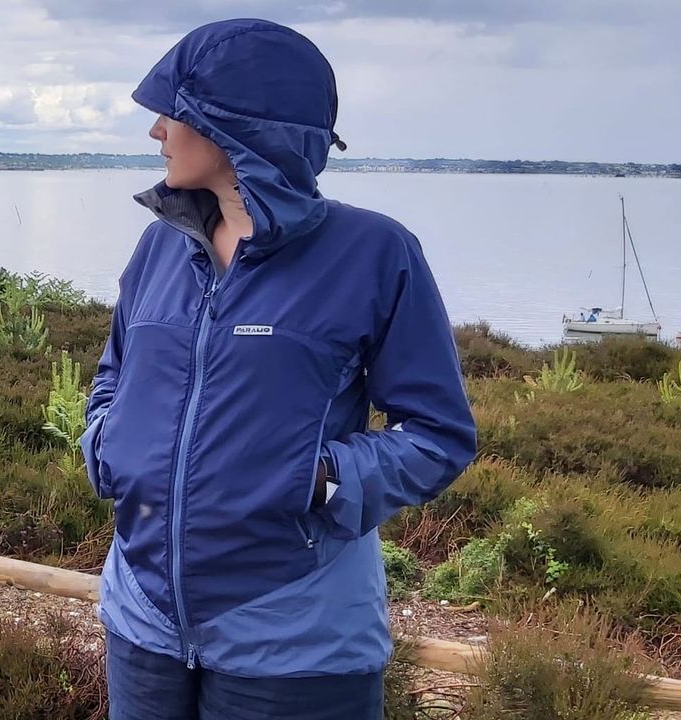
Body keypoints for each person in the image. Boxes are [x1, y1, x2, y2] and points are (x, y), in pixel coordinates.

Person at [80, 19, 477, 720]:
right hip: (142, 619)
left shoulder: (374, 253)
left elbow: (438, 434)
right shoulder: (160, 247)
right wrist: (107, 443)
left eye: (172, 113)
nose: (156, 133)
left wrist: (321, 479)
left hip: (296, 637)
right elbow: (115, 373)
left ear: (234, 128)